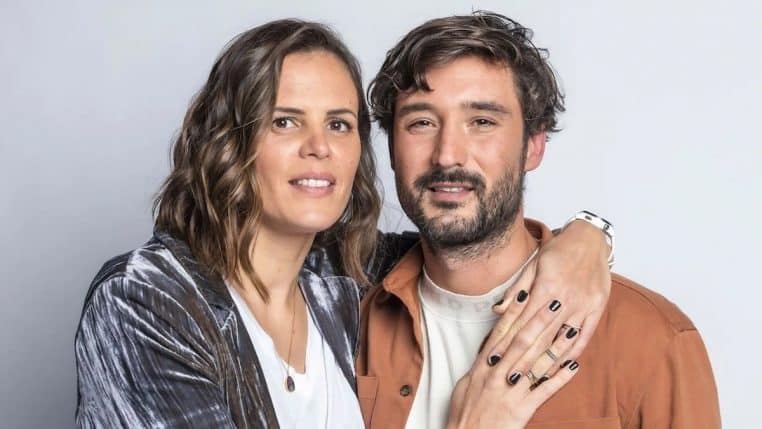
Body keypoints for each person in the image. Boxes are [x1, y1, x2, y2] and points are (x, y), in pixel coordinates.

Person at [74, 18, 612, 428]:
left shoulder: (344, 276)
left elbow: (467, 244)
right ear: (228, 142)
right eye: (285, 122)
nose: (319, 147)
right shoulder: (147, 301)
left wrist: (586, 239)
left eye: (338, 124)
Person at [357, 11, 721, 429]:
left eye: (482, 122)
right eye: (421, 123)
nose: (447, 155)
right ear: (391, 146)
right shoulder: (345, 316)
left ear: (533, 145)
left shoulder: (652, 339)